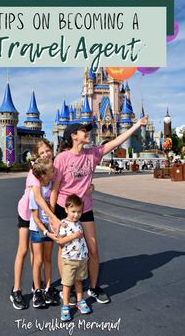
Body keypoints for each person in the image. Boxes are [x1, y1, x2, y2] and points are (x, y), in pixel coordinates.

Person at [51, 116, 148, 304]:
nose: (87, 132)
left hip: (85, 208)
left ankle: (94, 287)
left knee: (93, 250)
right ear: (73, 136)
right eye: (83, 130)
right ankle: (67, 288)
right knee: (64, 249)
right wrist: (54, 216)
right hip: (64, 209)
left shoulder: (93, 154)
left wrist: (137, 125)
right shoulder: (62, 158)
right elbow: (54, 189)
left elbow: (116, 141)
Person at [10, 139, 60, 310]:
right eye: (43, 152)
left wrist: (51, 214)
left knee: (37, 254)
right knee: (23, 250)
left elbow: (53, 193)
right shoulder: (35, 172)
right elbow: (38, 197)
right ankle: (16, 289)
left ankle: (37, 286)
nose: (47, 153)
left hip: (43, 216)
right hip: (27, 213)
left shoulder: (51, 170)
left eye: (48, 150)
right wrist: (53, 216)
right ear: (37, 155)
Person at [29, 158, 59, 308]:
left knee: (48, 258)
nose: (54, 172)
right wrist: (47, 231)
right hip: (37, 227)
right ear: (43, 175)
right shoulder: (35, 191)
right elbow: (35, 217)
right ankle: (37, 290)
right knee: (38, 260)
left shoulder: (51, 185)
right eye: (52, 170)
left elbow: (52, 206)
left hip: (48, 226)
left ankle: (48, 288)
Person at [57, 194, 91, 321]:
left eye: (79, 211)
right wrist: (74, 236)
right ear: (66, 209)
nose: (76, 214)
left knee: (79, 281)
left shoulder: (79, 223)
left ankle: (80, 301)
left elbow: (82, 241)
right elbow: (60, 241)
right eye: (73, 211)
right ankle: (65, 306)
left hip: (81, 258)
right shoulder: (64, 224)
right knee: (66, 284)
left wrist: (86, 253)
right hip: (69, 260)